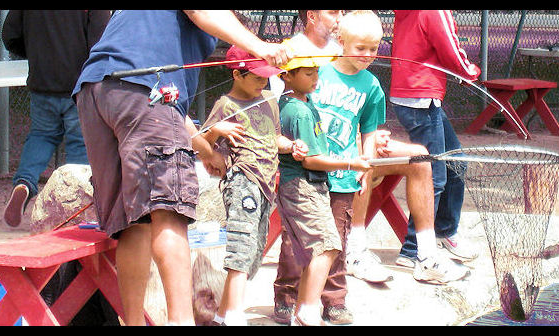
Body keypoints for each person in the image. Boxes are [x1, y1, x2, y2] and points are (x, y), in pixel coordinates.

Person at [71, 10, 291, 326]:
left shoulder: (147, 31)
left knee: (134, 222)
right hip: (141, 86)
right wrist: (260, 46)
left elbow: (161, 102)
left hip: (97, 90)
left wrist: (204, 150)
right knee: (168, 213)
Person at [312, 10, 470, 286]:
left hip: (357, 150)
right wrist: (362, 150)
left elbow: (368, 130)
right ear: (341, 40)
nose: (368, 55)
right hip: (322, 156)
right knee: (362, 161)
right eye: (360, 48)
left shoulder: (372, 86)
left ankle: (425, 256)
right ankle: (355, 252)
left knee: (420, 157)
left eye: (374, 49)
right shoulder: (317, 73)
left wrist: (373, 143)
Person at [200, 45, 308, 327]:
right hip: (242, 181)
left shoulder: (269, 99)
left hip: (266, 184)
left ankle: (224, 314)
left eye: (266, 78)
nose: (263, 83)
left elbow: (274, 138)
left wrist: (292, 146)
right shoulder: (225, 105)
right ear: (237, 74)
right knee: (242, 244)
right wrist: (216, 131)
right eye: (257, 78)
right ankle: (235, 315)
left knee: (256, 248)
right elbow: (202, 147)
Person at [270, 10, 357, 326]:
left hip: (306, 185)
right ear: (288, 77)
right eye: (307, 74)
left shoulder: (303, 105)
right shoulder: (300, 111)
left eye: (316, 73)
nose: (315, 79)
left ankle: (301, 311)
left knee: (314, 250)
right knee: (328, 246)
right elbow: (311, 160)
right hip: (304, 186)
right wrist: (351, 162)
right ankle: (306, 310)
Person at [1, 10, 111, 228]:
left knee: (41, 136)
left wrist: (35, 53)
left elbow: (10, 35)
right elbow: (102, 42)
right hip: (80, 84)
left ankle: (24, 183)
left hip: (42, 80)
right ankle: (72, 206)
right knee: (80, 143)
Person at [388, 10, 481, 270]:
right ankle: (413, 249)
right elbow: (448, 46)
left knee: (456, 162)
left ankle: (444, 231)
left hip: (413, 94)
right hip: (421, 96)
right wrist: (468, 72)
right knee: (434, 177)